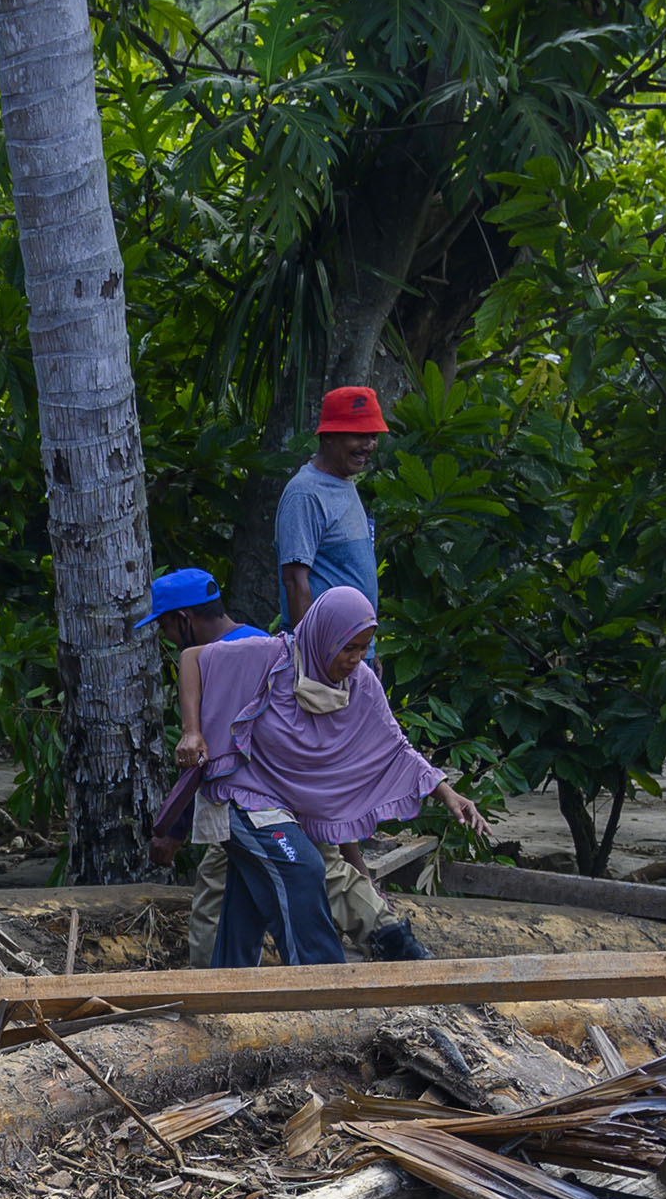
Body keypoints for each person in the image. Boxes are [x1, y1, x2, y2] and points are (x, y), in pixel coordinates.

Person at [184, 586, 483, 969]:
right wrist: (192, 732)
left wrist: (446, 794)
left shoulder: (360, 685)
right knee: (302, 869)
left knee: (247, 899)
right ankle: (322, 982)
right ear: (323, 636)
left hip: (302, 810)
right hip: (245, 795)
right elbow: (193, 659)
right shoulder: (271, 657)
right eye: (348, 648)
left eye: (364, 648)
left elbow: (395, 746)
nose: (356, 659)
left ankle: (225, 988)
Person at [130, 567, 264, 962]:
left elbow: (206, 759)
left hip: (240, 804)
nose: (168, 639)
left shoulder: (215, 665)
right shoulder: (262, 642)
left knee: (213, 903)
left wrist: (173, 829)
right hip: (278, 801)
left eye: (167, 628)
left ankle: (209, 996)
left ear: (184, 620)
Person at [274, 386, 388, 627]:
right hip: (324, 655)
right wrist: (310, 653)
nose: (368, 445)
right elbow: (295, 580)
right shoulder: (305, 492)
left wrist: (367, 647)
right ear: (328, 435)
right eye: (359, 435)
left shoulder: (344, 482)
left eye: (373, 436)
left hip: (351, 653)